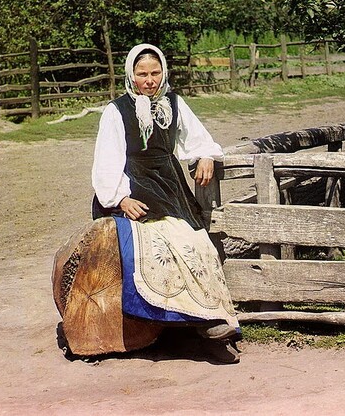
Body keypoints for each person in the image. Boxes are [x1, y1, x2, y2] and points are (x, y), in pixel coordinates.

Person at [91, 43, 240, 363]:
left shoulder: (174, 103)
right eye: (142, 73)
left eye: (155, 73)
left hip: (169, 186)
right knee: (162, 243)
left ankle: (210, 317)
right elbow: (106, 161)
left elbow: (197, 137)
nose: (149, 80)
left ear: (164, 73)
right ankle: (181, 319)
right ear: (130, 74)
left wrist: (205, 155)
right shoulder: (116, 110)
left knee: (197, 242)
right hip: (134, 184)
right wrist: (120, 197)